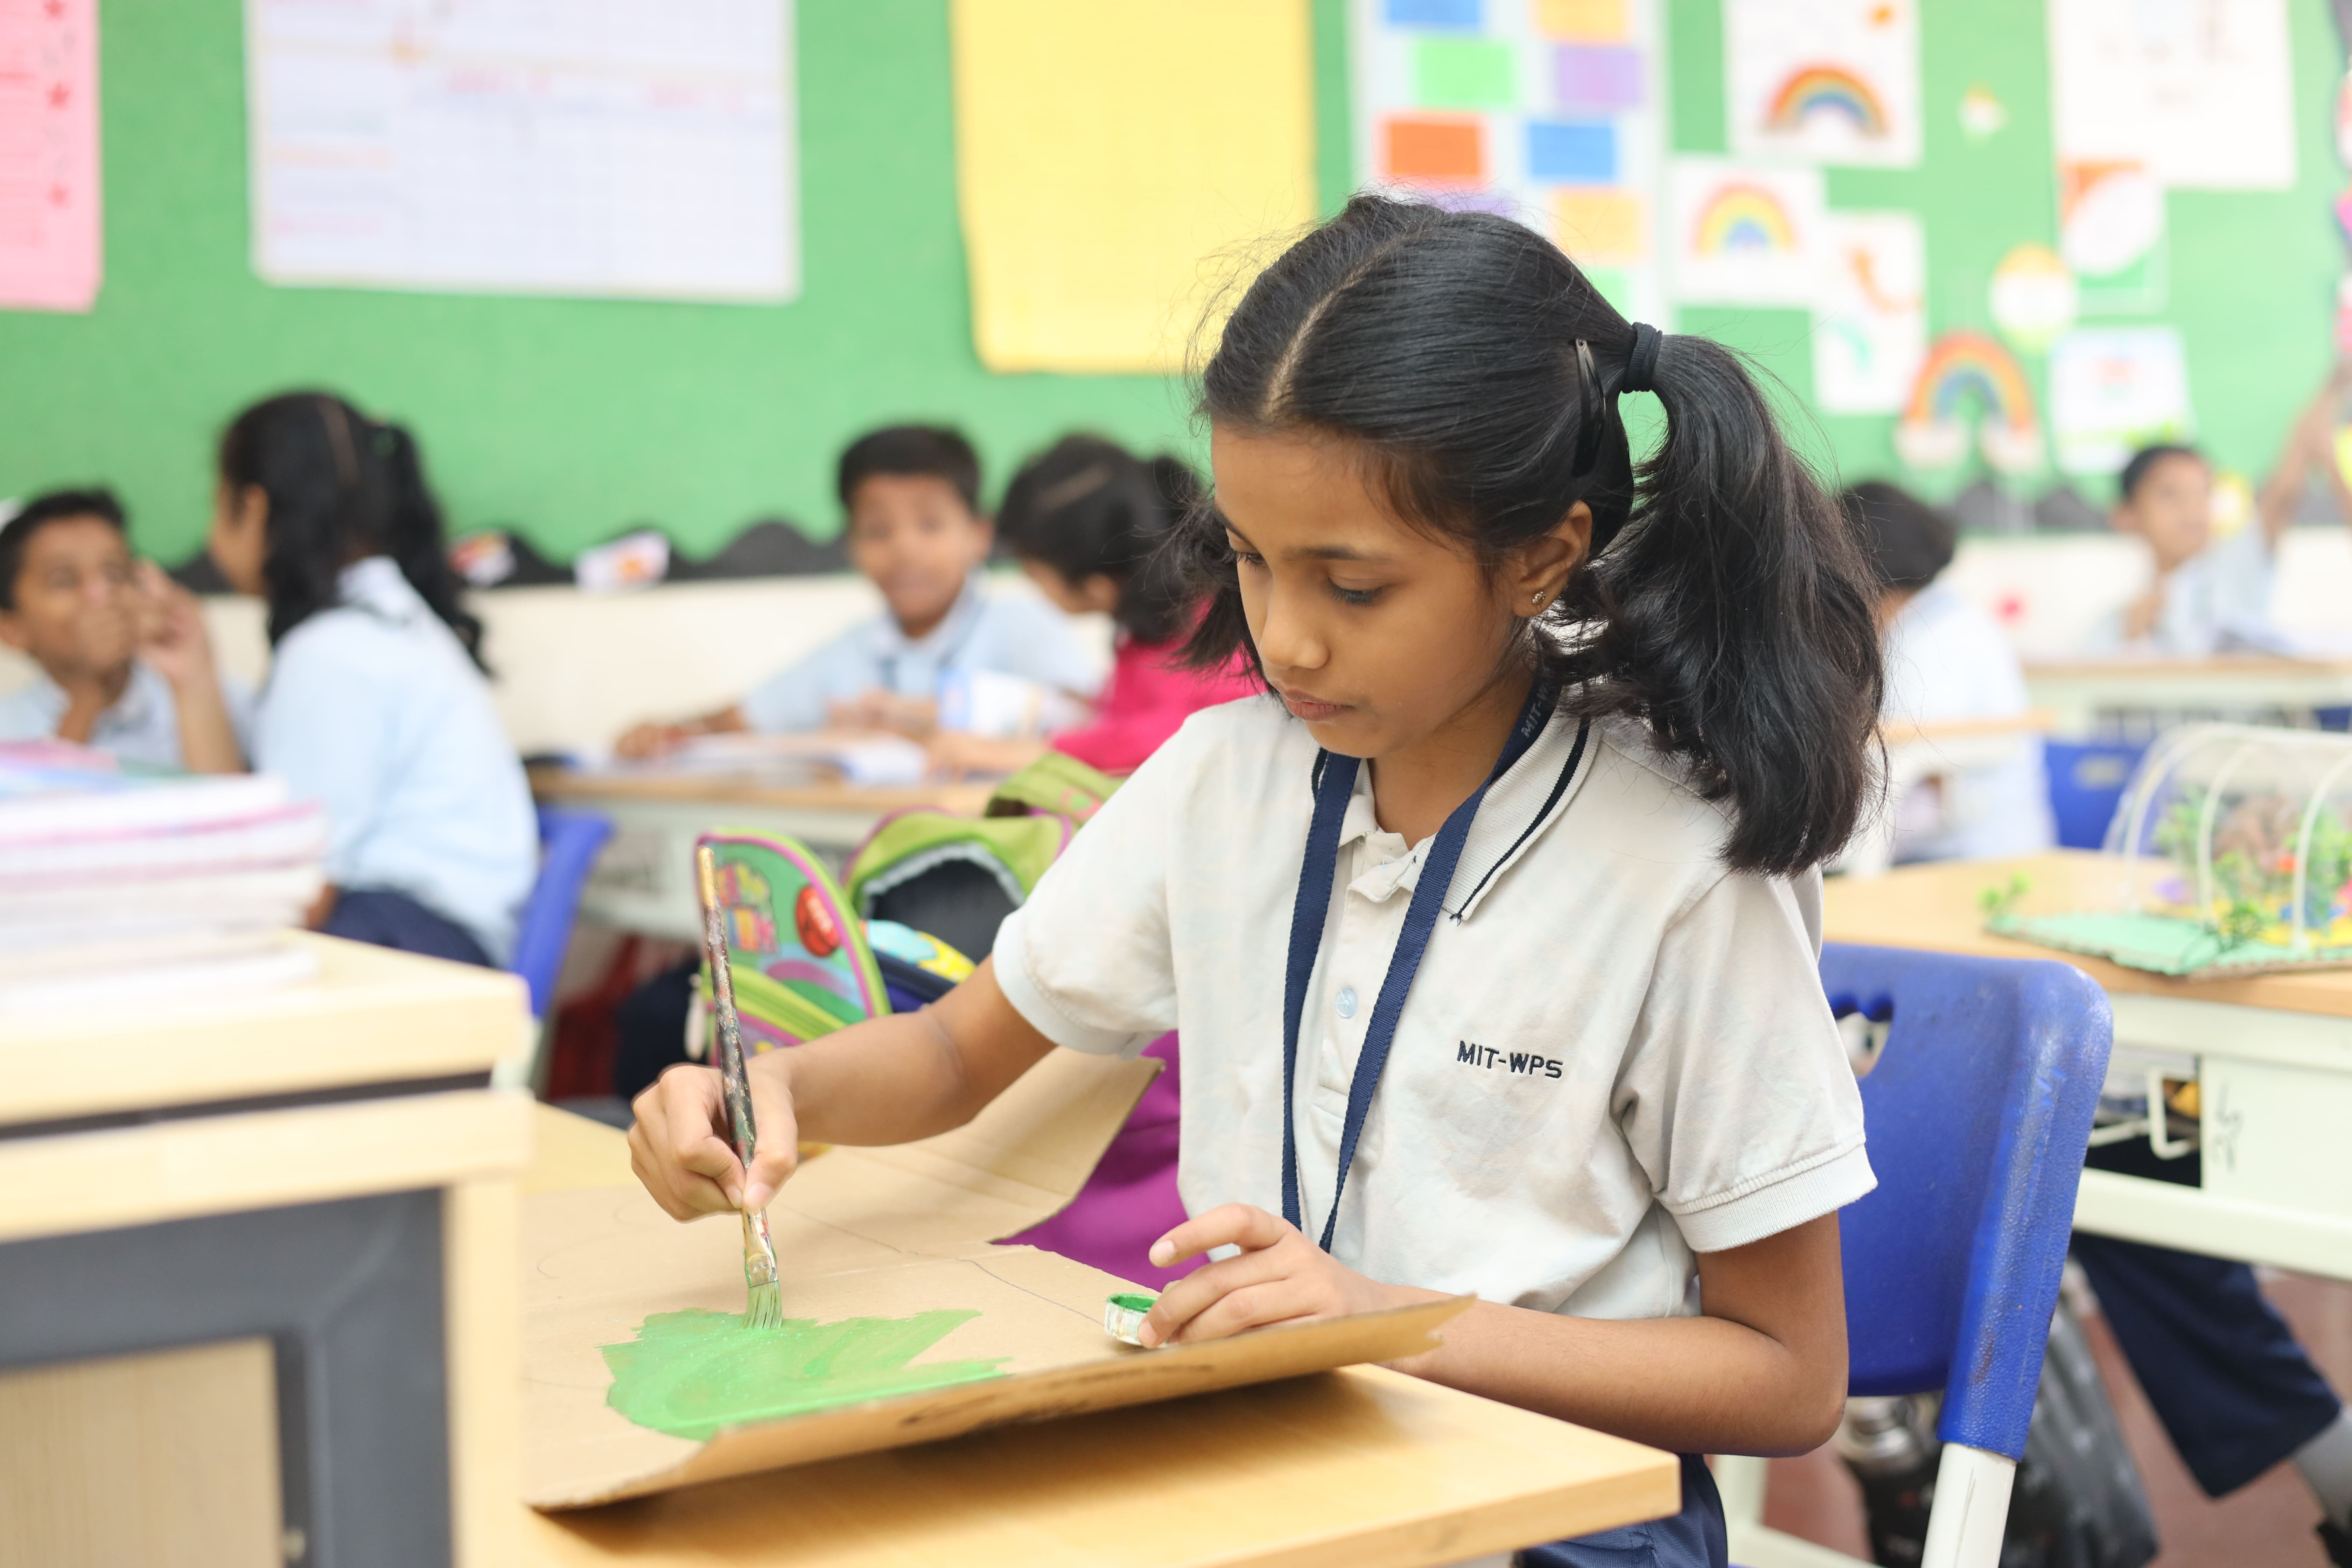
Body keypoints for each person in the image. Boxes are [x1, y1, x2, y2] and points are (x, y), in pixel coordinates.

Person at [630, 195, 1888, 1567]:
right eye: (1248, 559)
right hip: (1274, 1467)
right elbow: (950, 1055)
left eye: (1353, 587)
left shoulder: (1677, 863)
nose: (1284, 640)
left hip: (1557, 1522)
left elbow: (1785, 1377)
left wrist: (1387, 1321)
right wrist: (773, 1093)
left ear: (1542, 556)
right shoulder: (1223, 779)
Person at [207, 392, 536, 968]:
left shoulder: (330, 652)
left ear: (253, 509)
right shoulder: (388, 620)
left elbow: (300, 893)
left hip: (410, 942)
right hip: (442, 937)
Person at [614, 425, 1100, 757]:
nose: (904, 549)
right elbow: (748, 717)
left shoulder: (1022, 624)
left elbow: (1088, 719)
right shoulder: (853, 650)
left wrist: (935, 718)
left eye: (930, 525)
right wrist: (673, 732)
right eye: (877, 530)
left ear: (979, 535)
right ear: (851, 546)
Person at [927, 435, 1257, 779]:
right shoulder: (1149, 628)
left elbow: (1187, 731)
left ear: (1097, 588)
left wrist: (1037, 752)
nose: (1031, 585)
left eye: (1034, 573)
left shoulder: (1218, 631)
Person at [1846, 481, 2053, 862]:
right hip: (1956, 851)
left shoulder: (1937, 641)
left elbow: (1922, 789)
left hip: (1975, 861)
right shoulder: (1938, 622)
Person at [2096, 372, 2344, 656]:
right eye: (2170, 495)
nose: (2192, 510)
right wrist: (2130, 641)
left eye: (2204, 493)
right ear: (2126, 516)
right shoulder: (2116, 625)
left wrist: (2335, 384)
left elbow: (2285, 491)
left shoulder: (2237, 568)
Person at [0, 488, 246, 770]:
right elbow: (37, 799)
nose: (100, 595)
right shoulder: (8, 727)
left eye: (115, 573)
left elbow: (230, 795)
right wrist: (87, 697)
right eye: (64, 581)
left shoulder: (216, 696)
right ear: (10, 629)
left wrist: (192, 680)